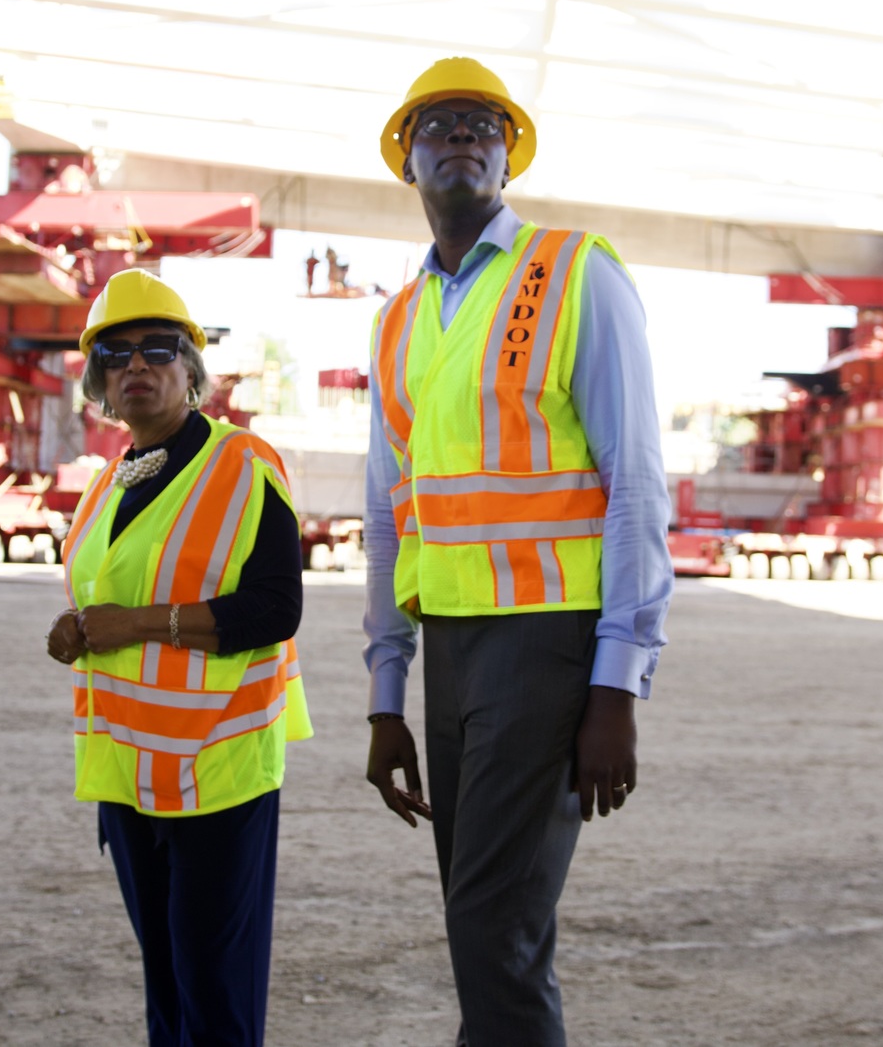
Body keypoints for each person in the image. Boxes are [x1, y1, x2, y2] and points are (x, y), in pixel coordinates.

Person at [360, 57, 672, 1046]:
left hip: (547, 642)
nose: (461, 135)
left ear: (508, 153)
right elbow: (386, 510)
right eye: (438, 123)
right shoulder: (399, 318)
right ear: (405, 159)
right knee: (481, 921)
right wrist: (384, 692)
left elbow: (634, 483)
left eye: (482, 123)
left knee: (494, 927)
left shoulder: (576, 270)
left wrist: (617, 683)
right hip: (449, 650)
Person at [45, 268, 309, 1047]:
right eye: (117, 353)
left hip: (218, 769)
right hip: (131, 771)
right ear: (99, 378)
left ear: (191, 370)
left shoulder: (244, 462)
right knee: (166, 986)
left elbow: (274, 609)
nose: (136, 365)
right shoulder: (106, 483)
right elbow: (113, 596)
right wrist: (81, 628)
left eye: (158, 349)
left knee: (214, 994)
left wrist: (139, 623)